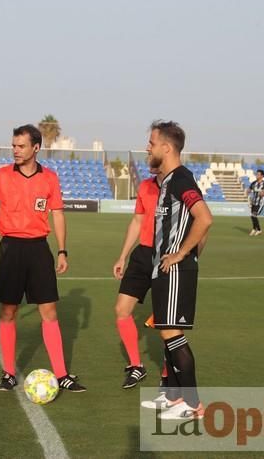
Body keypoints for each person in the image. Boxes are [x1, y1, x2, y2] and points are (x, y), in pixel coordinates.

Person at [0, 124, 86, 393]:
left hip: (39, 249)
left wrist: (62, 250)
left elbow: (58, 214)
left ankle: (62, 374)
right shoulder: (2, 176)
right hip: (11, 249)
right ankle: (9, 373)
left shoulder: (50, 178)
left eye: (21, 146)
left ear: (36, 148)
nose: (15, 150)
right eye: (14, 145)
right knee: (8, 311)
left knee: (49, 312)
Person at [139, 120, 213, 420]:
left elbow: (205, 218)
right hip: (165, 270)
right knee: (166, 332)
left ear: (166, 148)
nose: (148, 147)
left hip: (175, 270)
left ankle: (193, 405)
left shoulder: (182, 178)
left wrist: (183, 255)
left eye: (152, 143)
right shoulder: (167, 181)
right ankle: (173, 396)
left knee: (172, 333)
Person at [112, 166, 161, 389]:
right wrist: (123, 256)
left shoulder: (181, 185)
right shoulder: (145, 186)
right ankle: (136, 365)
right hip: (142, 253)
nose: (148, 156)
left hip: (168, 256)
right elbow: (137, 221)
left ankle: (170, 374)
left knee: (169, 322)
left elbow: (200, 222)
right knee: (122, 310)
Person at [246, 169, 264, 236]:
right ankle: (255, 229)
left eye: (258, 174)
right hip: (254, 202)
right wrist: (248, 192)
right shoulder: (254, 183)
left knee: (254, 215)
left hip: (260, 203)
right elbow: (249, 189)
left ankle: (258, 230)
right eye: (256, 174)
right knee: (252, 216)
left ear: (262, 176)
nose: (257, 175)